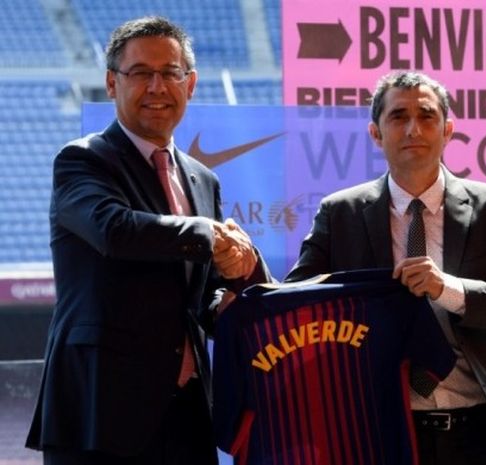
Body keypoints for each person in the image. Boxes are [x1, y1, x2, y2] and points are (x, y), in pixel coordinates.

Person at [25, 16, 271, 465]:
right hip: (100, 413)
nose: (157, 86)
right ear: (112, 83)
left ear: (190, 84)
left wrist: (235, 286)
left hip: (188, 416)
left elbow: (201, 294)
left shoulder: (202, 178)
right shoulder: (82, 161)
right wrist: (208, 233)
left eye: (170, 73)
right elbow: (112, 229)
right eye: (141, 73)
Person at [285, 71, 486, 465]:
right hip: (380, 433)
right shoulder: (340, 213)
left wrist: (449, 289)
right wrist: (247, 281)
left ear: (448, 130)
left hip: (482, 433)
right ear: (376, 134)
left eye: (427, 116)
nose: (413, 128)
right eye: (398, 117)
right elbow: (297, 305)